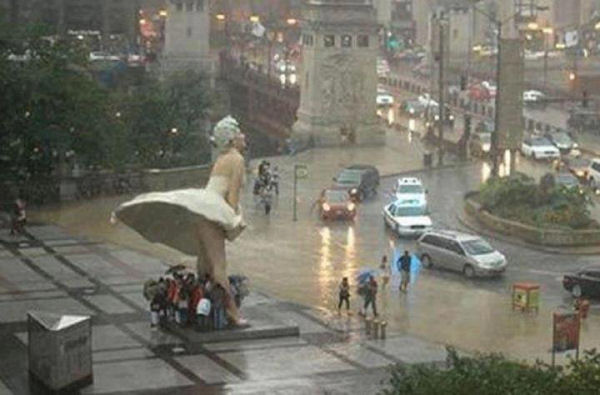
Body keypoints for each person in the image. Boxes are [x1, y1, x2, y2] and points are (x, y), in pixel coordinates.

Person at [114, 115, 249, 327]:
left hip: (201, 209)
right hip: (212, 212)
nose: (243, 135)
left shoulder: (221, 159)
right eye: (239, 132)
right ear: (232, 139)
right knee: (219, 267)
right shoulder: (237, 159)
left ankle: (202, 308)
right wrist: (231, 221)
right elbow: (232, 198)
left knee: (204, 264)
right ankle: (232, 312)